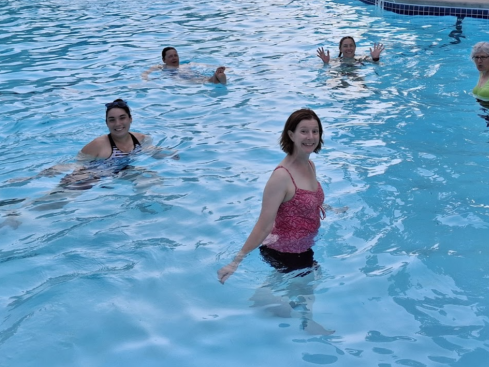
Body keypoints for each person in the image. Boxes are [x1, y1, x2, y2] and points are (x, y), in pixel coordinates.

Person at [218, 108, 328, 282]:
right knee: (302, 305)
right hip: (285, 252)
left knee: (299, 300)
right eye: (304, 131)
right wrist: (235, 262)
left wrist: (329, 208)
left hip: (304, 247)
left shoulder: (310, 165)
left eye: (315, 131)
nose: (311, 137)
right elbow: (264, 225)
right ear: (291, 135)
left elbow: (305, 202)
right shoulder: (281, 177)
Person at [79, 98, 148, 161]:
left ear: (130, 119)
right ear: (107, 123)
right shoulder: (98, 145)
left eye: (122, 118)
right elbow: (78, 166)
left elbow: (156, 155)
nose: (117, 123)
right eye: (112, 120)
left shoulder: (141, 140)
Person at [142, 46, 227, 84]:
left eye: (175, 55)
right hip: (180, 78)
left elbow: (205, 65)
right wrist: (146, 80)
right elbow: (145, 73)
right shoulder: (161, 67)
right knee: (198, 80)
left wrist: (225, 68)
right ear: (164, 60)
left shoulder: (186, 65)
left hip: (190, 75)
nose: (174, 58)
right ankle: (215, 78)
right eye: (170, 56)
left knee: (201, 78)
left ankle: (215, 77)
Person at [317, 36, 384, 65]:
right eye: (345, 46)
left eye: (351, 45)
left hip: (355, 75)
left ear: (355, 47)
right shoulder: (335, 61)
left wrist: (375, 58)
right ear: (340, 49)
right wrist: (326, 63)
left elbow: (377, 64)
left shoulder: (362, 58)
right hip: (340, 73)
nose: (349, 48)